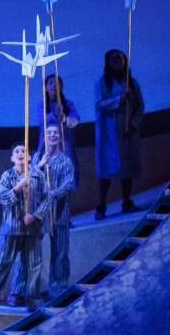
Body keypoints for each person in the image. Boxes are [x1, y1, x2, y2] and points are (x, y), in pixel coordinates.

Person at [0, 143, 45, 311]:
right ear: (12, 158)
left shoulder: (38, 175)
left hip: (32, 229)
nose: (20, 153)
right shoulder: (7, 176)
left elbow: (46, 199)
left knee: (33, 267)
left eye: (24, 151)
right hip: (11, 228)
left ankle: (33, 304)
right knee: (0, 264)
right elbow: (2, 197)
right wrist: (18, 187)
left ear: (29, 157)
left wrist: (35, 215)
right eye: (17, 151)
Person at [93, 49, 144, 219]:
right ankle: (101, 206)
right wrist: (119, 100)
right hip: (108, 133)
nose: (117, 61)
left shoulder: (132, 83)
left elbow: (140, 106)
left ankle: (127, 202)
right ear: (108, 62)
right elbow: (99, 104)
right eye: (113, 59)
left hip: (127, 131)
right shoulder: (101, 84)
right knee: (106, 168)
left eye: (120, 58)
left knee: (127, 166)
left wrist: (134, 125)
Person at [36, 124, 78, 295]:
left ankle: (58, 287)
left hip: (59, 211)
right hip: (39, 212)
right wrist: (40, 165)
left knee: (60, 251)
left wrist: (53, 194)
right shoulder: (38, 157)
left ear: (60, 138)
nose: (52, 135)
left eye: (55, 133)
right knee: (31, 251)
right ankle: (26, 290)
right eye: (49, 133)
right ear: (44, 137)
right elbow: (28, 178)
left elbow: (68, 185)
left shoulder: (65, 161)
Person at [38, 73, 81, 158]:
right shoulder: (41, 104)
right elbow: (41, 120)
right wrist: (54, 114)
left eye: (57, 83)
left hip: (65, 142)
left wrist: (64, 119)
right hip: (47, 143)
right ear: (45, 88)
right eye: (51, 83)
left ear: (61, 87)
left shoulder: (68, 103)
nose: (54, 85)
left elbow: (76, 120)